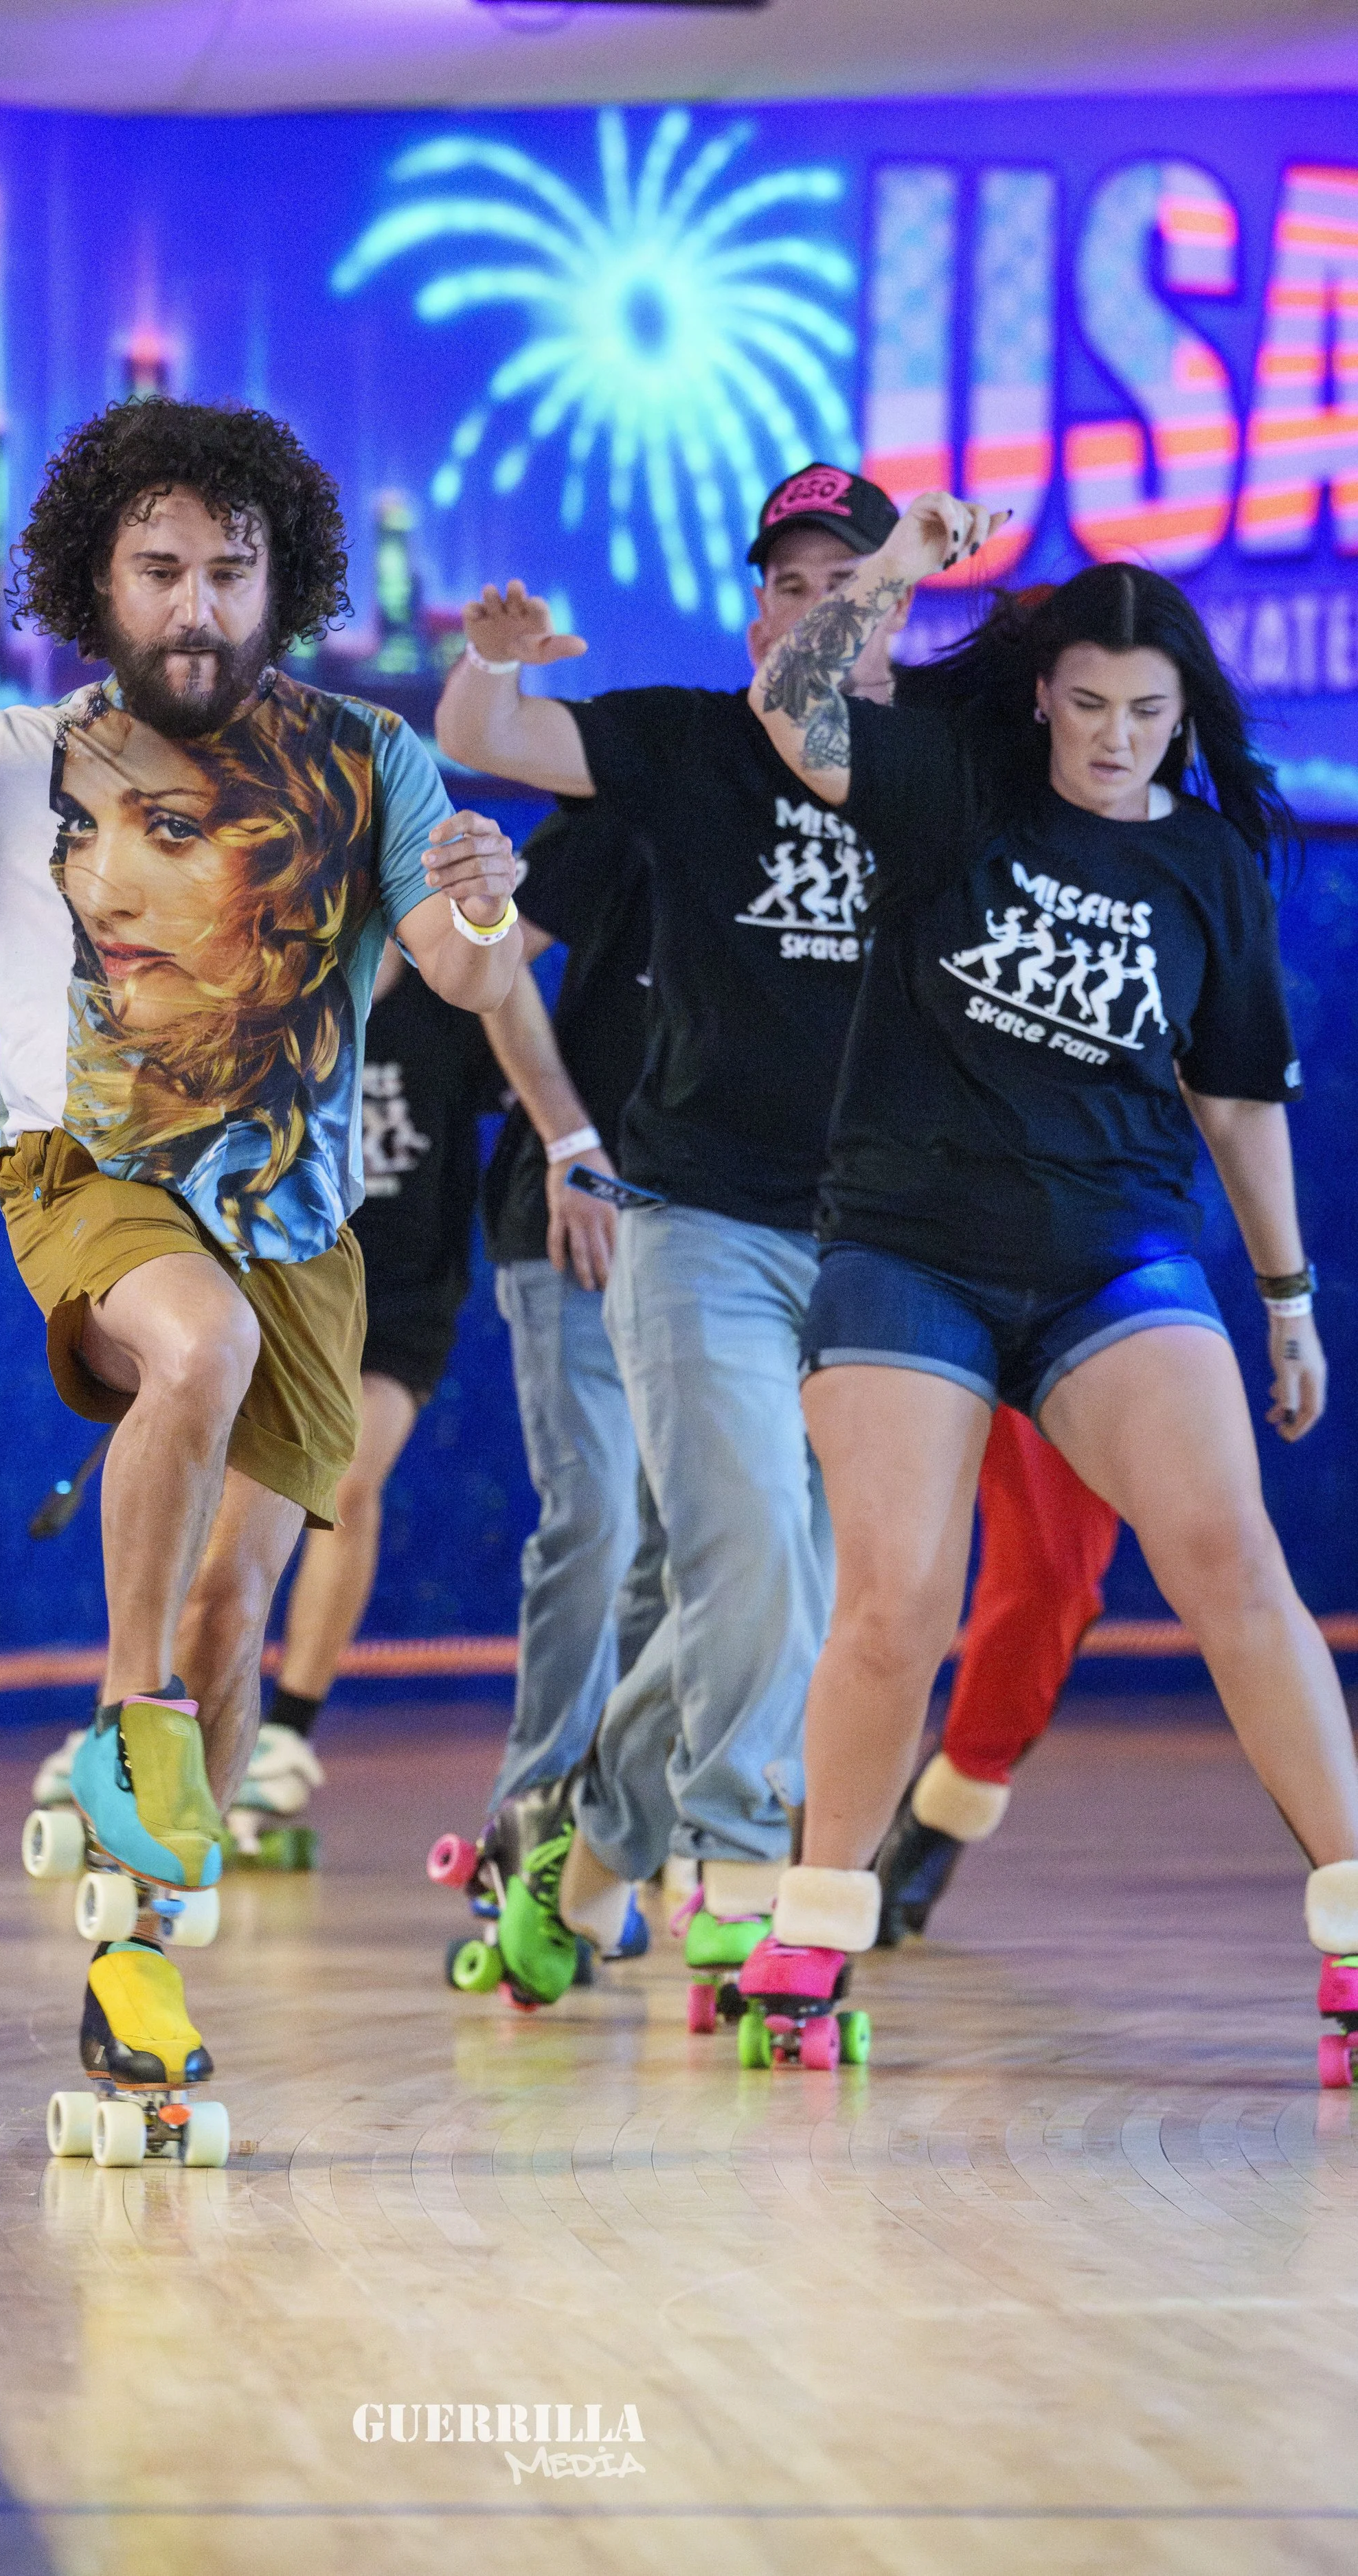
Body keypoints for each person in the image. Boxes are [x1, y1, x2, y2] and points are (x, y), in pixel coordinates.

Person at [0, 397, 521, 2112]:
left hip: (300, 1226)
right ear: (99, 579)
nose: (197, 606)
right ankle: (122, 1715)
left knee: (244, 1605)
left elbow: (465, 981)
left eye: (230, 572)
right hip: (89, 1178)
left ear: (278, 582)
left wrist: (475, 896)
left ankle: (137, 1953)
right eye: (160, 568)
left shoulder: (369, 762)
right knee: (196, 1348)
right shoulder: (19, 758)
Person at [745, 490, 1358, 2068]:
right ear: (1038, 692)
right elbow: (788, 705)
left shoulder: (1212, 863)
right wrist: (890, 569)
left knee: (1231, 1554)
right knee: (901, 1597)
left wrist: (1286, 1299)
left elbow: (1235, 1099)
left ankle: (1354, 1936)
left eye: (1146, 714)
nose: (1114, 738)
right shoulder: (954, 782)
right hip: (908, 1248)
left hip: (1110, 1259)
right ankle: (813, 1936)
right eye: (1087, 704)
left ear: (1180, 714)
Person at [433, 464, 905, 2003]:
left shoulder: (935, 766)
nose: (813, 607)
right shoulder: (687, 744)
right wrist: (491, 658)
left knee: (772, 1594)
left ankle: (572, 1873)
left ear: (890, 613)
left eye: (849, 584)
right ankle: (743, 1876)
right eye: (788, 583)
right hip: (692, 1223)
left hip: (874, 1245)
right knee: (743, 1552)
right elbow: (484, 743)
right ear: (751, 608)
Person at [234, 935, 506, 1853]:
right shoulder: (284, 999)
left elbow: (528, 1093)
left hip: (406, 1303)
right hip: (291, 1289)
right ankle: (168, 1707)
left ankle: (288, 1733)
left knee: (347, 1482)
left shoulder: (451, 1008)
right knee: (242, 1493)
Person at [478, 802, 668, 1814]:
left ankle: (644, 1826)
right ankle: (538, 1819)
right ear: (762, 633)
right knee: (597, 1516)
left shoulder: (879, 811)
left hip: (733, 1235)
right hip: (579, 1224)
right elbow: (487, 953)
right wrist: (567, 1141)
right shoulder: (657, 787)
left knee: (698, 1541)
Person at [875, 1405, 1120, 1943]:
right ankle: (715, 1808)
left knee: (1053, 1572)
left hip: (1085, 1324)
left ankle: (941, 1806)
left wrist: (1290, 1317)